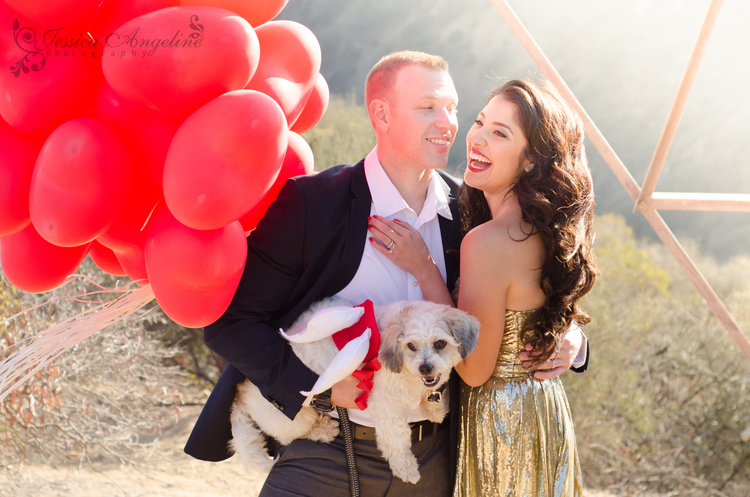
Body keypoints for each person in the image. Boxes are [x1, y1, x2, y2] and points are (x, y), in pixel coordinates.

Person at [184, 52, 588, 496]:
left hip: (435, 460)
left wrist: (571, 341)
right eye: (428, 107)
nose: (448, 123)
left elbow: (524, 290)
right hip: (326, 450)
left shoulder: (470, 213)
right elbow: (231, 323)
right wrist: (319, 390)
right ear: (381, 113)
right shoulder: (313, 203)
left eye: (453, 108)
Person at [367, 78, 596, 496]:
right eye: (479, 122)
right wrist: (573, 338)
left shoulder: (489, 241)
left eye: (500, 133)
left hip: (503, 423)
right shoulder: (538, 228)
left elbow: (474, 371)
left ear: (530, 161)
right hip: (543, 409)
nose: (477, 139)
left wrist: (424, 268)